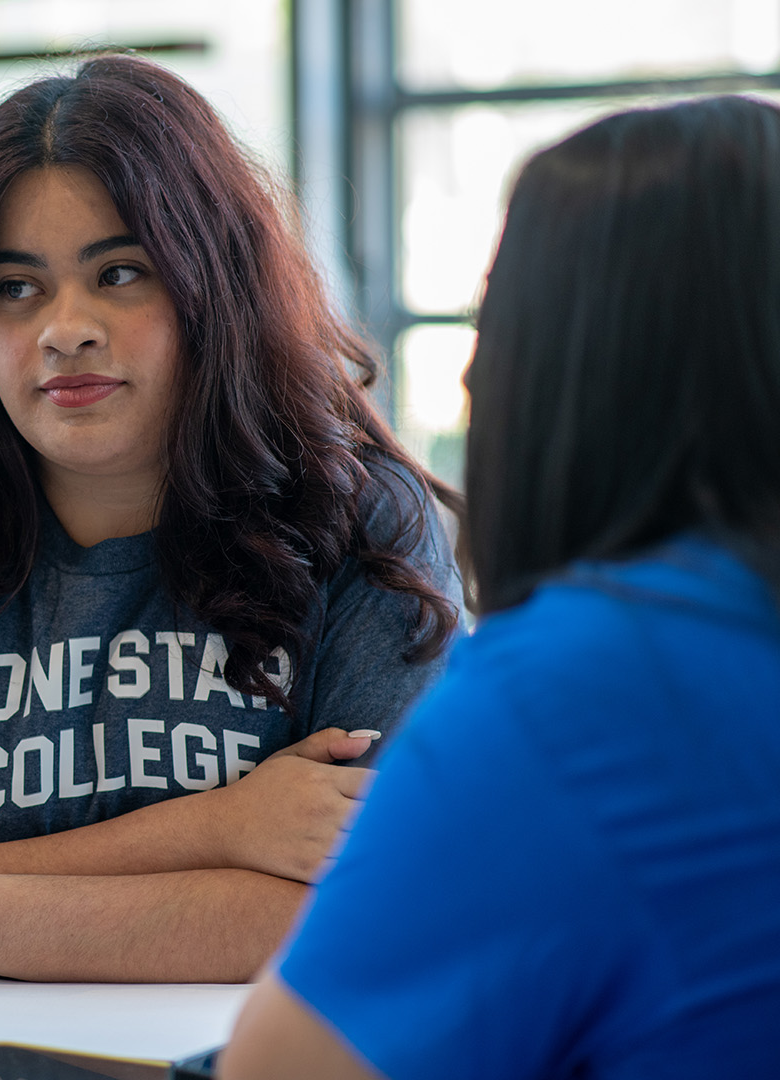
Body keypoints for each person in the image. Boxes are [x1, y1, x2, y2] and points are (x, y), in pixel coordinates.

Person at [0, 53, 463, 984]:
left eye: (120, 273)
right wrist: (221, 828)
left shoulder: (360, 518)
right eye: (17, 287)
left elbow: (385, 905)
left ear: (215, 290)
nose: (66, 329)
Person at [223, 95, 780, 1078]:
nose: (474, 371)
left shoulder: (576, 699)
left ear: (570, 363)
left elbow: (277, 1066)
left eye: (495, 315)